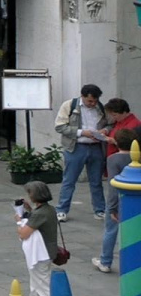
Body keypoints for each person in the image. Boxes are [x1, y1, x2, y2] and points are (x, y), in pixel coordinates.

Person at [55, 83, 108, 222]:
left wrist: (104, 131)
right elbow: (60, 127)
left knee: (96, 181)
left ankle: (100, 210)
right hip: (76, 147)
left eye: (95, 101)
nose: (92, 104)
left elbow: (109, 123)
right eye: (90, 101)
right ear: (82, 96)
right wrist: (82, 132)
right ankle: (61, 210)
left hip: (96, 147)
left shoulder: (100, 107)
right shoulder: (69, 105)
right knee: (69, 180)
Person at [96, 125, 137, 273]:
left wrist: (112, 207)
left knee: (110, 231)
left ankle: (105, 261)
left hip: (119, 199)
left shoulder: (113, 159)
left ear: (117, 143)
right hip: (136, 198)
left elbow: (113, 185)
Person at [16, 181, 60, 296]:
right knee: (35, 286)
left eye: (30, 193)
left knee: (43, 287)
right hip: (48, 251)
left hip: (40, 254)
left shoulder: (39, 214)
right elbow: (38, 219)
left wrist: (19, 221)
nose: (29, 195)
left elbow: (23, 234)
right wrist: (29, 209)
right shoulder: (50, 209)